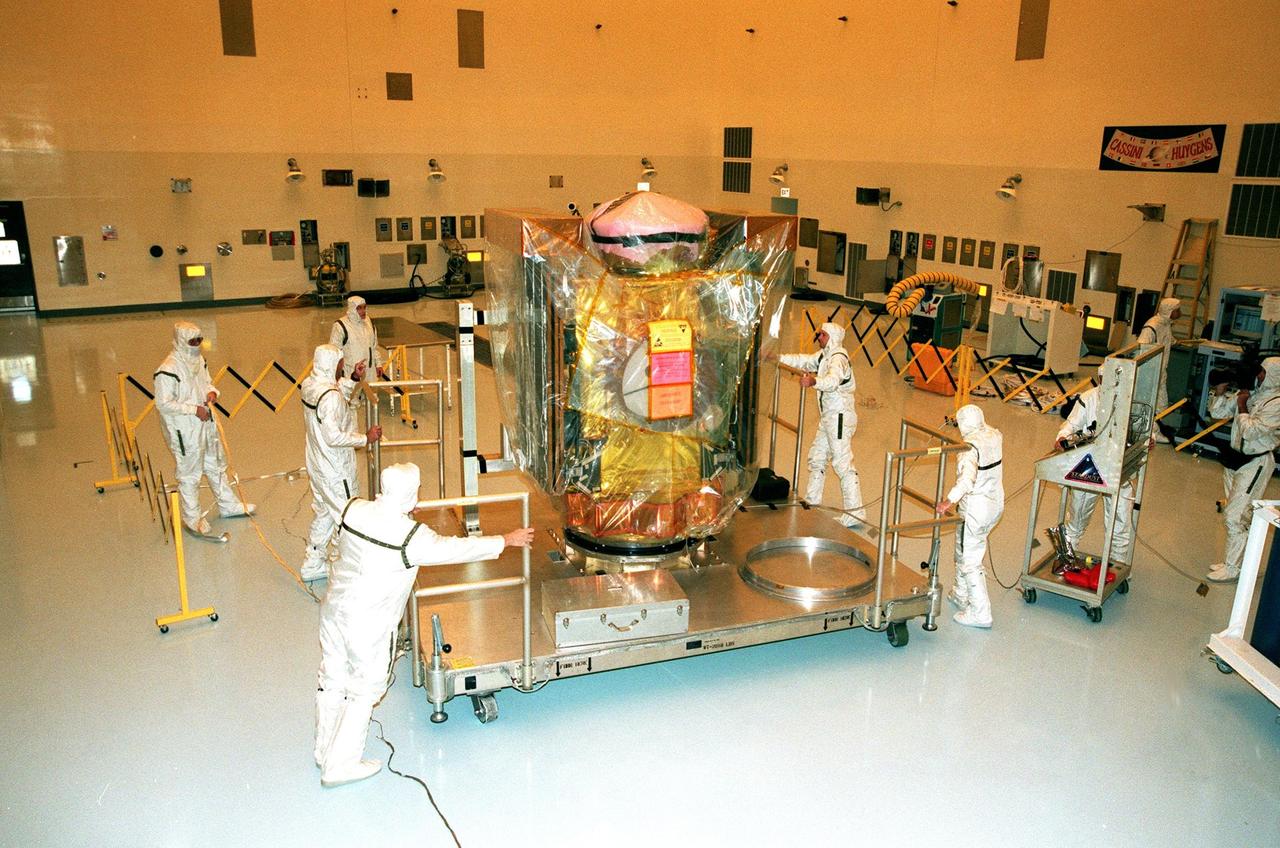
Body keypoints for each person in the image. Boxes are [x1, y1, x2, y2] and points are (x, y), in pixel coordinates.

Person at [314, 463, 535, 787]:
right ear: (411, 495)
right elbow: (457, 549)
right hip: (370, 624)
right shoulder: (410, 537)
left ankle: (323, 749)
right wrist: (506, 539)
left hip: (334, 611)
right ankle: (340, 765)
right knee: (364, 689)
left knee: (331, 677)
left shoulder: (354, 509)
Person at [153, 321, 255, 536]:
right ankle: (192, 518)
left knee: (216, 464)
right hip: (184, 429)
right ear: (181, 341)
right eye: (192, 341)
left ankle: (228, 505)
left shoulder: (198, 360)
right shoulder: (167, 370)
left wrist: (212, 393)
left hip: (206, 424)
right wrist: (193, 410)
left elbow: (206, 383)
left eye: (199, 340)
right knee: (190, 473)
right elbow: (163, 404)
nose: (197, 344)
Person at [300, 344, 382, 582]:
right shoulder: (331, 397)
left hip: (317, 463)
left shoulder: (310, 385)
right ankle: (342, 564)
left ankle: (312, 563)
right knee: (347, 514)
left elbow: (333, 398)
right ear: (330, 364)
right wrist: (365, 438)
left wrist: (353, 378)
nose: (340, 366)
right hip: (336, 468)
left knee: (325, 512)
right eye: (339, 363)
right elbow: (333, 435)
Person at [778, 322, 864, 526]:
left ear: (832, 337)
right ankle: (812, 501)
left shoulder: (838, 359)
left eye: (823, 335)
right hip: (829, 416)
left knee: (842, 462)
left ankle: (856, 512)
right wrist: (777, 357)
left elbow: (833, 381)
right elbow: (804, 360)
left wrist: (814, 382)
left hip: (840, 416)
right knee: (817, 457)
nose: (819, 338)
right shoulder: (824, 356)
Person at [1205, 357, 1280, 583]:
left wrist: (1242, 406)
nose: (1258, 377)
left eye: (1263, 374)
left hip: (1255, 462)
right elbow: (1217, 413)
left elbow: (1251, 432)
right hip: (1235, 457)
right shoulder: (1251, 393)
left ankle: (1233, 567)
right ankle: (1237, 560)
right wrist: (1219, 392)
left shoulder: (1276, 403)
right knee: (1237, 514)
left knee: (1235, 516)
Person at [936, 404, 1003, 628]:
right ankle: (961, 593)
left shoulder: (969, 447)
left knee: (971, 560)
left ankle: (980, 613)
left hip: (976, 506)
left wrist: (948, 501)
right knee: (962, 547)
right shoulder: (994, 435)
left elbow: (967, 479)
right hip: (994, 503)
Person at [1055, 386, 1135, 566]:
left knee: (1120, 521)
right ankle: (1067, 559)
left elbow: (1141, 425)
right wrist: (1062, 436)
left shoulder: (1128, 395)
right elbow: (1071, 424)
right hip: (1089, 465)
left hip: (1118, 466)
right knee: (1077, 518)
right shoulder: (1089, 398)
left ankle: (1117, 566)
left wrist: (1150, 437)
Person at [1137, 297, 1182, 443]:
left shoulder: (1165, 324)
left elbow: (1166, 339)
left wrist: (1176, 342)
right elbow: (1141, 347)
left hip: (1160, 372)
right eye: (1177, 310)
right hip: (1150, 373)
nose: (1180, 313)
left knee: (1162, 405)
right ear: (1170, 311)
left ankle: (1154, 430)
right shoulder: (1152, 326)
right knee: (1149, 404)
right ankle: (1151, 432)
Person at [329, 295, 388, 381]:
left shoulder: (369, 322)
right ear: (352, 309)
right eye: (359, 308)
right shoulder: (341, 326)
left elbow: (374, 346)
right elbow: (333, 352)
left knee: (371, 394)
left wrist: (378, 364)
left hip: (370, 373)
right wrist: (336, 375)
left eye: (364, 307)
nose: (363, 311)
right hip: (351, 373)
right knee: (353, 394)